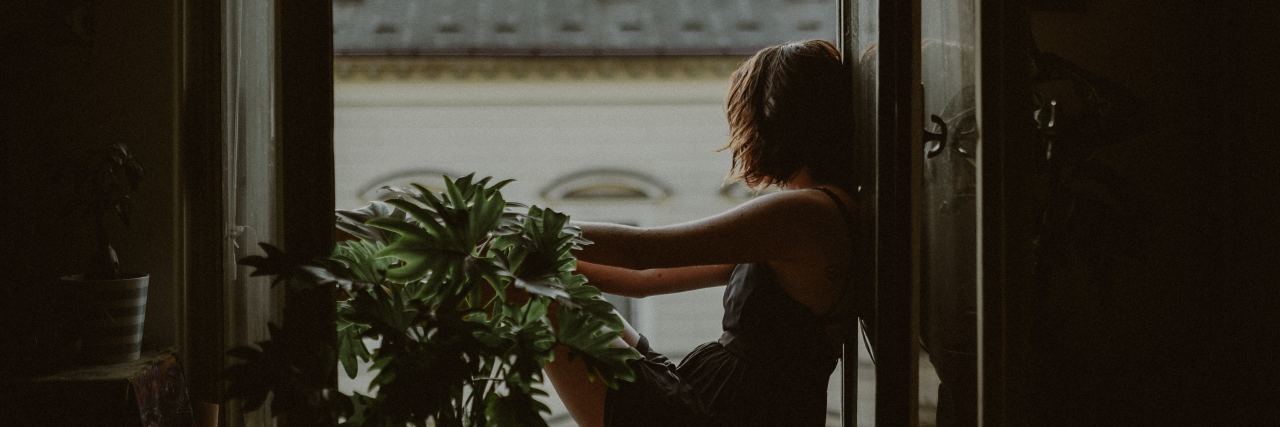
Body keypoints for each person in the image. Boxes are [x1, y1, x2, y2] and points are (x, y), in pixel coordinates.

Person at [544, 39, 860, 427]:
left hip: (717, 415)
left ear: (771, 121)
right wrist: (553, 265)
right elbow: (643, 280)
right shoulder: (815, 215)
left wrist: (532, 232)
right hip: (708, 402)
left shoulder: (802, 214)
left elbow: (642, 251)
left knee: (539, 299)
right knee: (546, 289)